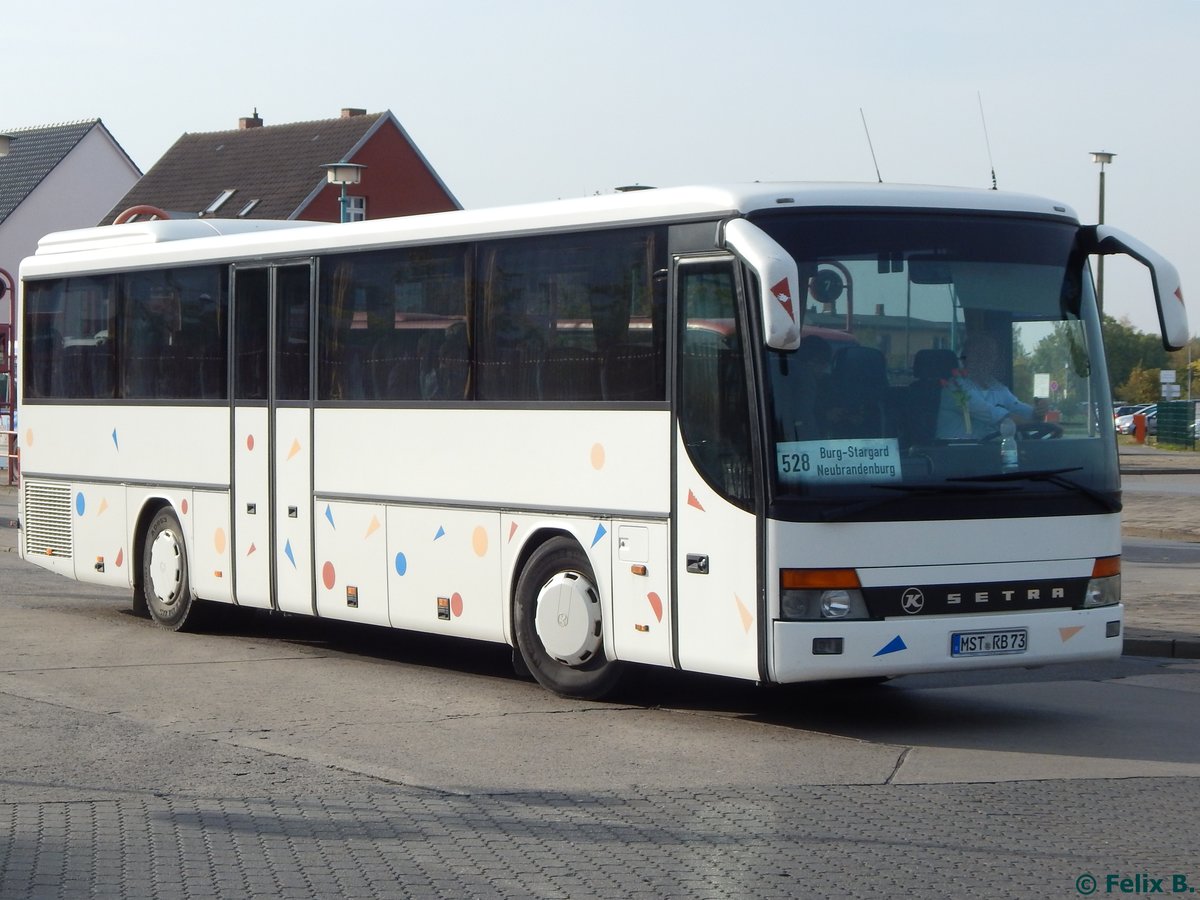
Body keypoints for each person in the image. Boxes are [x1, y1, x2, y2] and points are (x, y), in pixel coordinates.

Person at [936, 334, 1045, 439]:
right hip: (952, 453)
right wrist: (1032, 424)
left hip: (983, 452)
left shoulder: (995, 387)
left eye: (990, 355)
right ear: (965, 358)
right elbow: (994, 415)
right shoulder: (954, 387)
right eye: (979, 354)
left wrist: (1038, 412)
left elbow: (1020, 409)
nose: (985, 360)